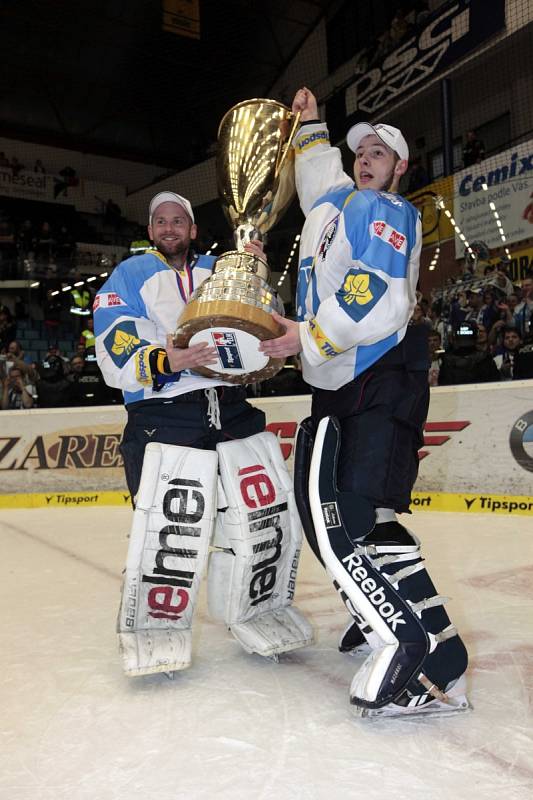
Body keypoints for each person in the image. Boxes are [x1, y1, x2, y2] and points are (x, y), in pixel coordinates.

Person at [260, 86, 468, 718]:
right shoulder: (336, 204)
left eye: (381, 153)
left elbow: (372, 292)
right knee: (347, 517)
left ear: (400, 167)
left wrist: (307, 335)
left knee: (350, 515)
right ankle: (409, 628)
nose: (367, 160)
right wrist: (312, 123)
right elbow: (318, 170)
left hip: (381, 375)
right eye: (362, 152)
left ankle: (422, 652)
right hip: (338, 381)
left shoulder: (386, 210)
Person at [94, 191, 312, 677]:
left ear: (192, 230)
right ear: (151, 231)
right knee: (170, 528)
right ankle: (155, 628)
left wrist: (258, 275)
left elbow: (262, 321)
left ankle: (263, 607)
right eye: (161, 222)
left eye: (179, 221)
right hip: (165, 413)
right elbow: (115, 344)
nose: (170, 228)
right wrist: (166, 360)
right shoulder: (128, 276)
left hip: (230, 406)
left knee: (263, 511)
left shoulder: (222, 266)